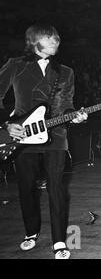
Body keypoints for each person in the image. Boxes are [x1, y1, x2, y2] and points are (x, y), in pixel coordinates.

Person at [0, 24, 88, 259]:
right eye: (50, 38)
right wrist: (6, 125)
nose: (56, 42)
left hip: (55, 135)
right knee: (26, 188)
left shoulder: (66, 71)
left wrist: (74, 116)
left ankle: (60, 241)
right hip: (21, 136)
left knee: (56, 188)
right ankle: (31, 232)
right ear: (33, 41)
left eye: (57, 39)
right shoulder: (15, 65)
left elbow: (66, 104)